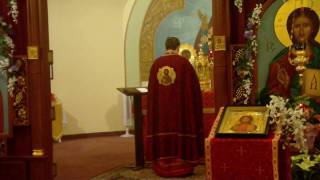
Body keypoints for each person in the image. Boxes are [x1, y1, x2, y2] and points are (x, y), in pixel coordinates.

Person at [261, 7, 320, 150]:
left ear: (313, 28)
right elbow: (270, 94)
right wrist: (284, 86)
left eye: (305, 26)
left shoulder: (319, 55)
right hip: (291, 114)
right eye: (297, 26)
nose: (301, 31)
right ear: (290, 29)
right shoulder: (282, 60)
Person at [146, 37, 203, 177]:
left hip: (161, 111)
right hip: (180, 110)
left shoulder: (156, 64)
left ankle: (161, 164)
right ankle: (183, 164)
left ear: (165, 47)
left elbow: (151, 91)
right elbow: (195, 89)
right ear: (178, 47)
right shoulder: (184, 63)